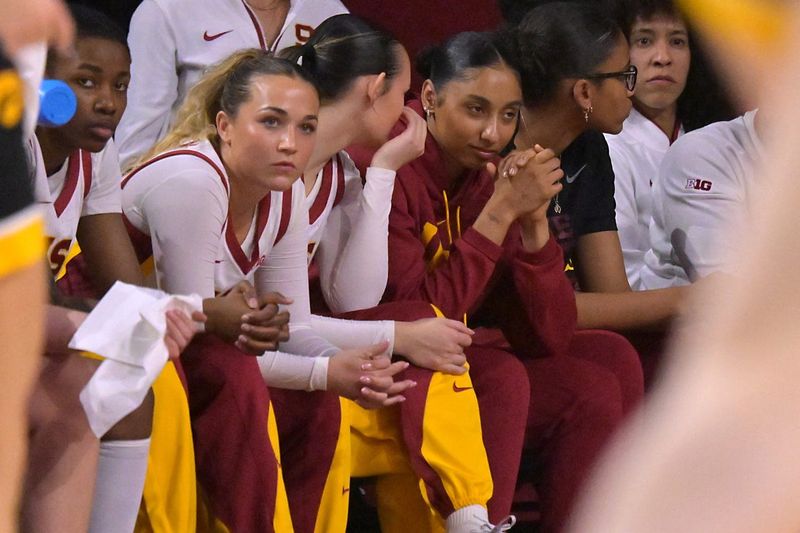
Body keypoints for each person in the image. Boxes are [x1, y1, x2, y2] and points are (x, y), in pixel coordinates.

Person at [350, 29, 643, 532]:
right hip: (381, 358)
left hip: (457, 356)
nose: (492, 133)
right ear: (429, 99)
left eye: (508, 116)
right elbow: (419, 314)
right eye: (476, 110)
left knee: (608, 360)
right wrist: (499, 213)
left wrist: (531, 227)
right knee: (500, 377)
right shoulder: (390, 166)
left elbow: (547, 335)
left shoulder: (485, 177)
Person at [122, 49, 420, 532]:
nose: (290, 143)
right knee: (235, 370)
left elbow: (294, 327)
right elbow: (197, 338)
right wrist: (325, 372)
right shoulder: (194, 181)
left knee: (317, 403)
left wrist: (351, 369)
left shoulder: (286, 193)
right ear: (224, 125)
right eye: (271, 122)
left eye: (305, 127)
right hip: (116, 342)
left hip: (190, 352)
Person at [116, 0, 348, 169]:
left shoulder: (330, 14)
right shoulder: (166, 8)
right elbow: (137, 135)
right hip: (191, 183)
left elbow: (342, 116)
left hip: (291, 190)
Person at [605, 0, 690, 289]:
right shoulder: (609, 148)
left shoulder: (712, 142)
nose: (663, 57)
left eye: (677, 41)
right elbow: (624, 282)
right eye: (644, 40)